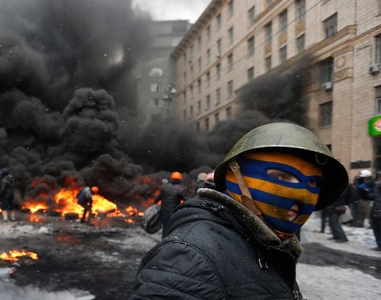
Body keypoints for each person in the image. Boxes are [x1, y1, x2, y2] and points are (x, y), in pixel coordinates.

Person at [133, 122, 348, 299]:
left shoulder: (272, 244)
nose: (301, 195)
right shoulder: (187, 257)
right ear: (234, 175)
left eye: (313, 184)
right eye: (278, 176)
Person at [153, 171, 189, 235]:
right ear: (179, 180)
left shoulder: (165, 187)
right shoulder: (180, 189)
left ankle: (163, 240)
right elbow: (186, 200)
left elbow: (158, 197)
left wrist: (153, 204)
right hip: (173, 212)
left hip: (164, 211)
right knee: (172, 228)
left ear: (171, 178)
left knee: (165, 227)